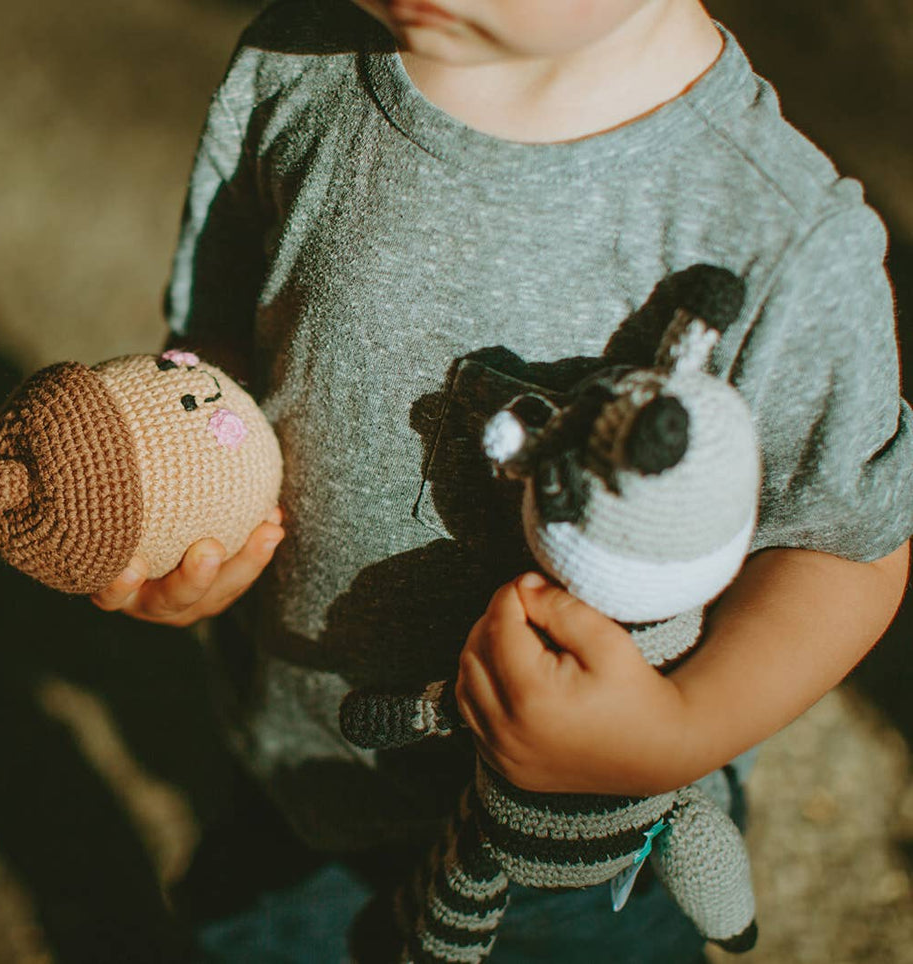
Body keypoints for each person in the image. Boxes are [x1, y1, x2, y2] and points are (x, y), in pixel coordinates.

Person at [92, 1, 913, 961]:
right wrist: (183, 513)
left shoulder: (775, 230)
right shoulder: (299, 64)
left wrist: (679, 732)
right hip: (300, 773)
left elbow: (845, 547)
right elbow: (217, 346)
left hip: (577, 847)